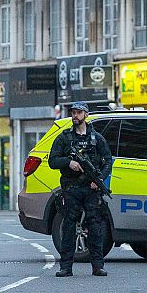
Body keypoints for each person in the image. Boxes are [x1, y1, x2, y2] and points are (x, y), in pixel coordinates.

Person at [49, 101, 113, 277]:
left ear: (86, 115)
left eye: (78, 112)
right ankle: (66, 267)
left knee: (95, 227)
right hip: (71, 188)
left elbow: (108, 160)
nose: (75, 115)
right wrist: (69, 162)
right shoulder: (64, 137)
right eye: (73, 112)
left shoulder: (97, 138)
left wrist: (99, 179)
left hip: (92, 189)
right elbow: (52, 161)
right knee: (69, 226)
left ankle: (97, 266)